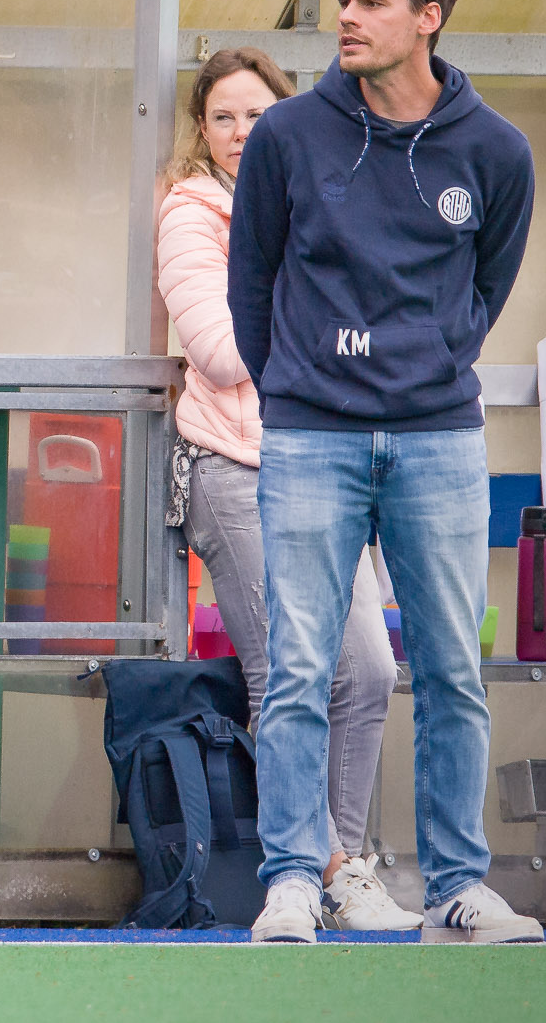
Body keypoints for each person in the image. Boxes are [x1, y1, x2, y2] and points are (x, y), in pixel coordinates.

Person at [227, 0, 540, 944]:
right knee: (298, 668)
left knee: (452, 669)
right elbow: (251, 280)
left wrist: (430, 360)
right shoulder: (286, 134)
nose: (347, 18)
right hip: (310, 435)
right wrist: (294, 387)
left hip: (438, 438)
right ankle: (290, 880)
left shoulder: (496, 149)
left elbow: (488, 285)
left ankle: (457, 887)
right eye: (343, 2)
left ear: (428, 17)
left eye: (370, 2)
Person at [156, 47, 411, 932]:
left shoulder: (326, 195)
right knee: (287, 678)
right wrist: (318, 304)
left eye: (258, 115)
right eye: (222, 118)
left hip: (329, 466)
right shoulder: (192, 212)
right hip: (234, 467)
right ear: (202, 132)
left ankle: (344, 870)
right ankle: (308, 872)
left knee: (369, 669)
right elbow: (223, 351)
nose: (241, 133)